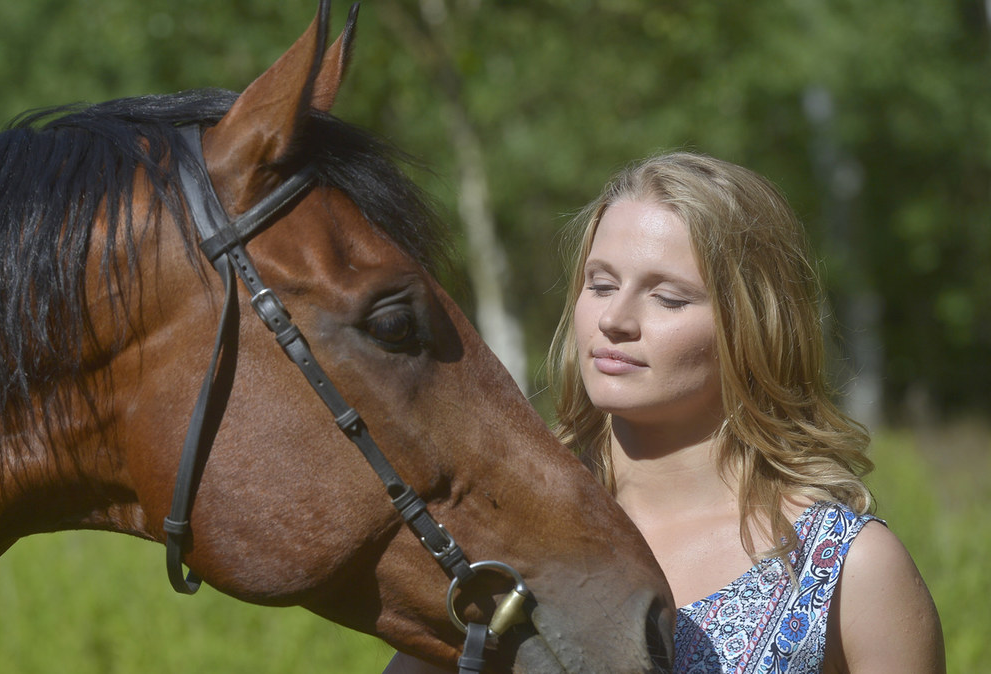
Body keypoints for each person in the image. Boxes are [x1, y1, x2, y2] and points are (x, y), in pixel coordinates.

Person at [384, 152, 943, 673]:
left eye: (668, 298)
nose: (615, 319)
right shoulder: (500, 530)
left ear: (751, 325)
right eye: (600, 284)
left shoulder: (847, 567)